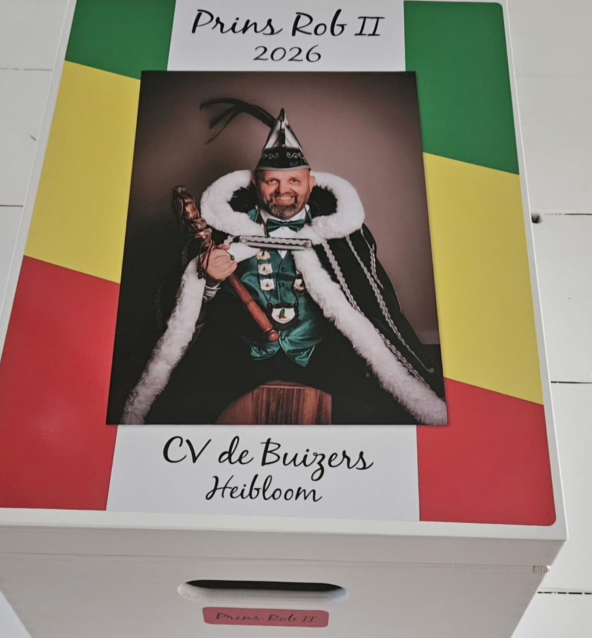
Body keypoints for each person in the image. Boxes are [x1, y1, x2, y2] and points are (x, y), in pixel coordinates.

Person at [122, 99, 447, 426]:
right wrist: (208, 280)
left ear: (311, 182)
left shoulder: (342, 235)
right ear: (255, 183)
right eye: (272, 181)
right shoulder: (224, 230)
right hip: (240, 348)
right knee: (177, 409)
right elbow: (183, 301)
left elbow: (373, 298)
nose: (283, 191)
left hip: (319, 349)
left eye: (294, 180)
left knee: (376, 412)